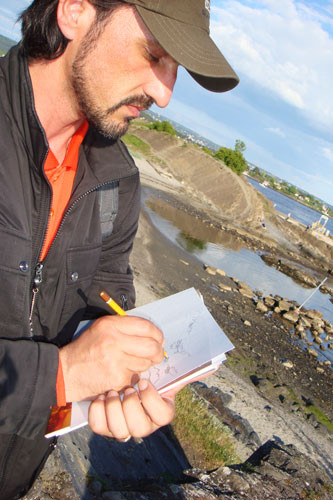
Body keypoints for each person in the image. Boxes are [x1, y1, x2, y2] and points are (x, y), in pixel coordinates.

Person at [0, 0, 239, 498]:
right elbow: (66, 371)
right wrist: (61, 376)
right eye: (154, 54)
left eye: (174, 70)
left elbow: (105, 301)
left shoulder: (119, 179)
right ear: (74, 12)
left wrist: (122, 375)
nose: (165, 94)